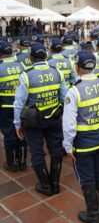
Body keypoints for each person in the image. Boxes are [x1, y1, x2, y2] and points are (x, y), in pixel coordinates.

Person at [63, 51, 99, 223]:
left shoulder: (74, 90)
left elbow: (69, 125)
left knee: (87, 177)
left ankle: (93, 213)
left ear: (78, 67)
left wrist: (68, 145)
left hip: (84, 144)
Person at [14, 42, 67, 196]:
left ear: (31, 58)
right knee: (56, 150)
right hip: (55, 117)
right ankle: (55, 184)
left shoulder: (26, 75)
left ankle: (46, 185)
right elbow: (64, 97)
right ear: (46, 55)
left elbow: (19, 103)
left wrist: (17, 124)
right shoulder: (57, 72)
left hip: (33, 121)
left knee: (37, 152)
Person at [0, 40, 27, 172]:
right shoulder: (21, 65)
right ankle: (22, 162)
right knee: (21, 131)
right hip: (21, 105)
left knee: (9, 133)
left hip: (5, 106)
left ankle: (11, 164)